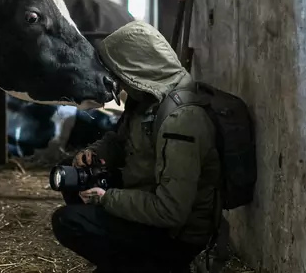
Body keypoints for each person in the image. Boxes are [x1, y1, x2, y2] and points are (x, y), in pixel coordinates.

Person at [51, 20, 221, 273]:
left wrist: (107, 199)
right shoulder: (146, 98)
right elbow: (120, 140)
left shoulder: (182, 121)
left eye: (119, 73)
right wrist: (95, 154)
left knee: (68, 222)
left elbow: (170, 211)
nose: (117, 81)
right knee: (71, 174)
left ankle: (147, 266)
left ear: (136, 69)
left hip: (175, 236)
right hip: (146, 194)